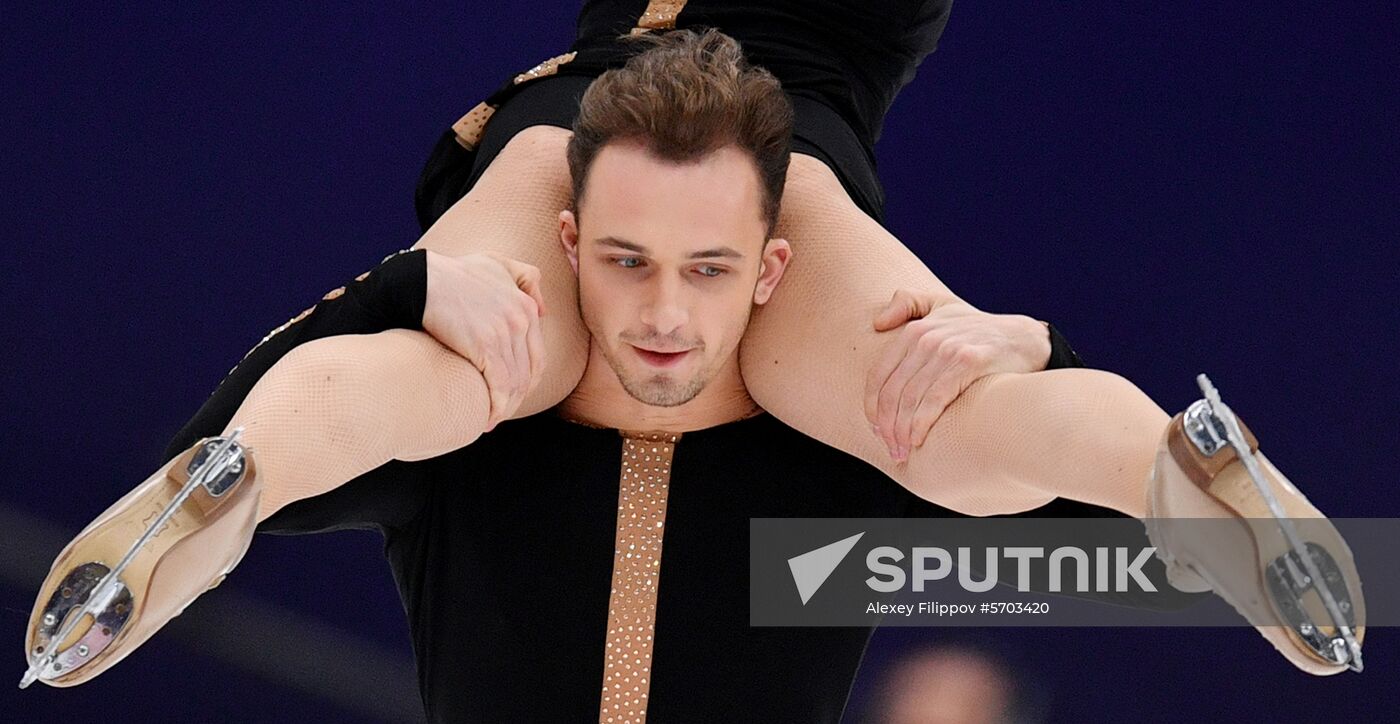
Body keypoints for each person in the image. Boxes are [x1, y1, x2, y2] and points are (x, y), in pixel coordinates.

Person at [24, 7, 1362, 711]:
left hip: (650, 136)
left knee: (450, 373)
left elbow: (340, 394)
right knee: (945, 425)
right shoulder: (811, 479)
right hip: (736, 138)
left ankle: (1175, 460)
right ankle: (1177, 456)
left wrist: (405, 291)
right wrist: (1037, 360)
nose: (665, 319)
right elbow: (1035, 516)